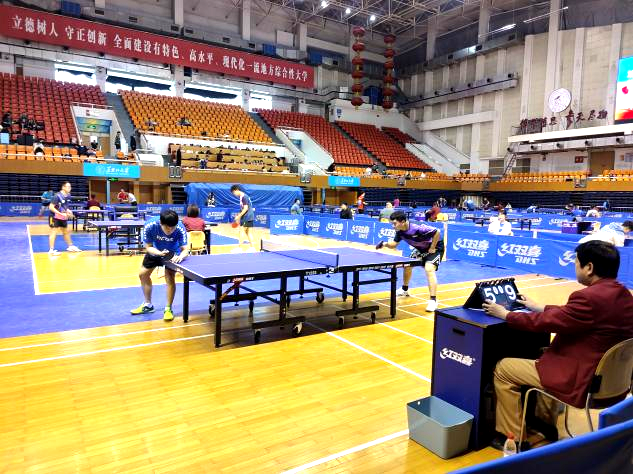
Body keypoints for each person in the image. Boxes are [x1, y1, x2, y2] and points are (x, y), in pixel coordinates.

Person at [482, 241, 633, 450]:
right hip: (612, 382)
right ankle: (545, 425)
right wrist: (538, 306)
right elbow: (571, 315)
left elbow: (543, 323)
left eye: (576, 262)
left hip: (581, 380)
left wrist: (506, 314)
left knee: (504, 368)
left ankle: (514, 438)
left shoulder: (587, 298)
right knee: (544, 353)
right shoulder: (624, 295)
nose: (575, 266)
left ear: (589, 267)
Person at [375, 210, 443, 312]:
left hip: (435, 247)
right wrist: (384, 244)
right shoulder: (400, 231)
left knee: (429, 269)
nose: (393, 226)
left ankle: (433, 301)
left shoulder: (418, 228)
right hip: (421, 249)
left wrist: (432, 247)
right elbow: (394, 244)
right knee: (407, 265)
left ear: (403, 222)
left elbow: (437, 232)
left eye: (394, 223)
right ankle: (404, 289)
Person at [131, 210, 189, 321]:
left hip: (173, 253)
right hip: (155, 250)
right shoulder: (150, 225)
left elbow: (185, 249)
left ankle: (168, 308)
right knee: (143, 274)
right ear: (160, 223)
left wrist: (181, 256)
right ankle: (148, 305)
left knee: (170, 277)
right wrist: (159, 253)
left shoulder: (180, 228)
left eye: (173, 228)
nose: (170, 231)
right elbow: (148, 247)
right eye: (167, 228)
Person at [48, 181, 81, 255]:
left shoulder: (68, 195)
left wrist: (69, 211)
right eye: (68, 187)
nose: (70, 188)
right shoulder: (57, 196)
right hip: (54, 216)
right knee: (54, 232)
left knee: (65, 231)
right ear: (63, 187)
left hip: (62, 216)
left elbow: (65, 206)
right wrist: (60, 213)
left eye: (70, 187)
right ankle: (51, 250)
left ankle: (70, 246)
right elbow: (51, 207)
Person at [230, 184, 255, 251]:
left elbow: (245, 208)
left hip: (247, 217)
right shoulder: (242, 197)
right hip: (250, 216)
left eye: (234, 192)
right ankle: (252, 248)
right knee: (248, 232)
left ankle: (239, 248)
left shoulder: (244, 197)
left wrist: (238, 216)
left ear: (236, 190)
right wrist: (238, 215)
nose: (234, 194)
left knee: (241, 231)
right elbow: (243, 208)